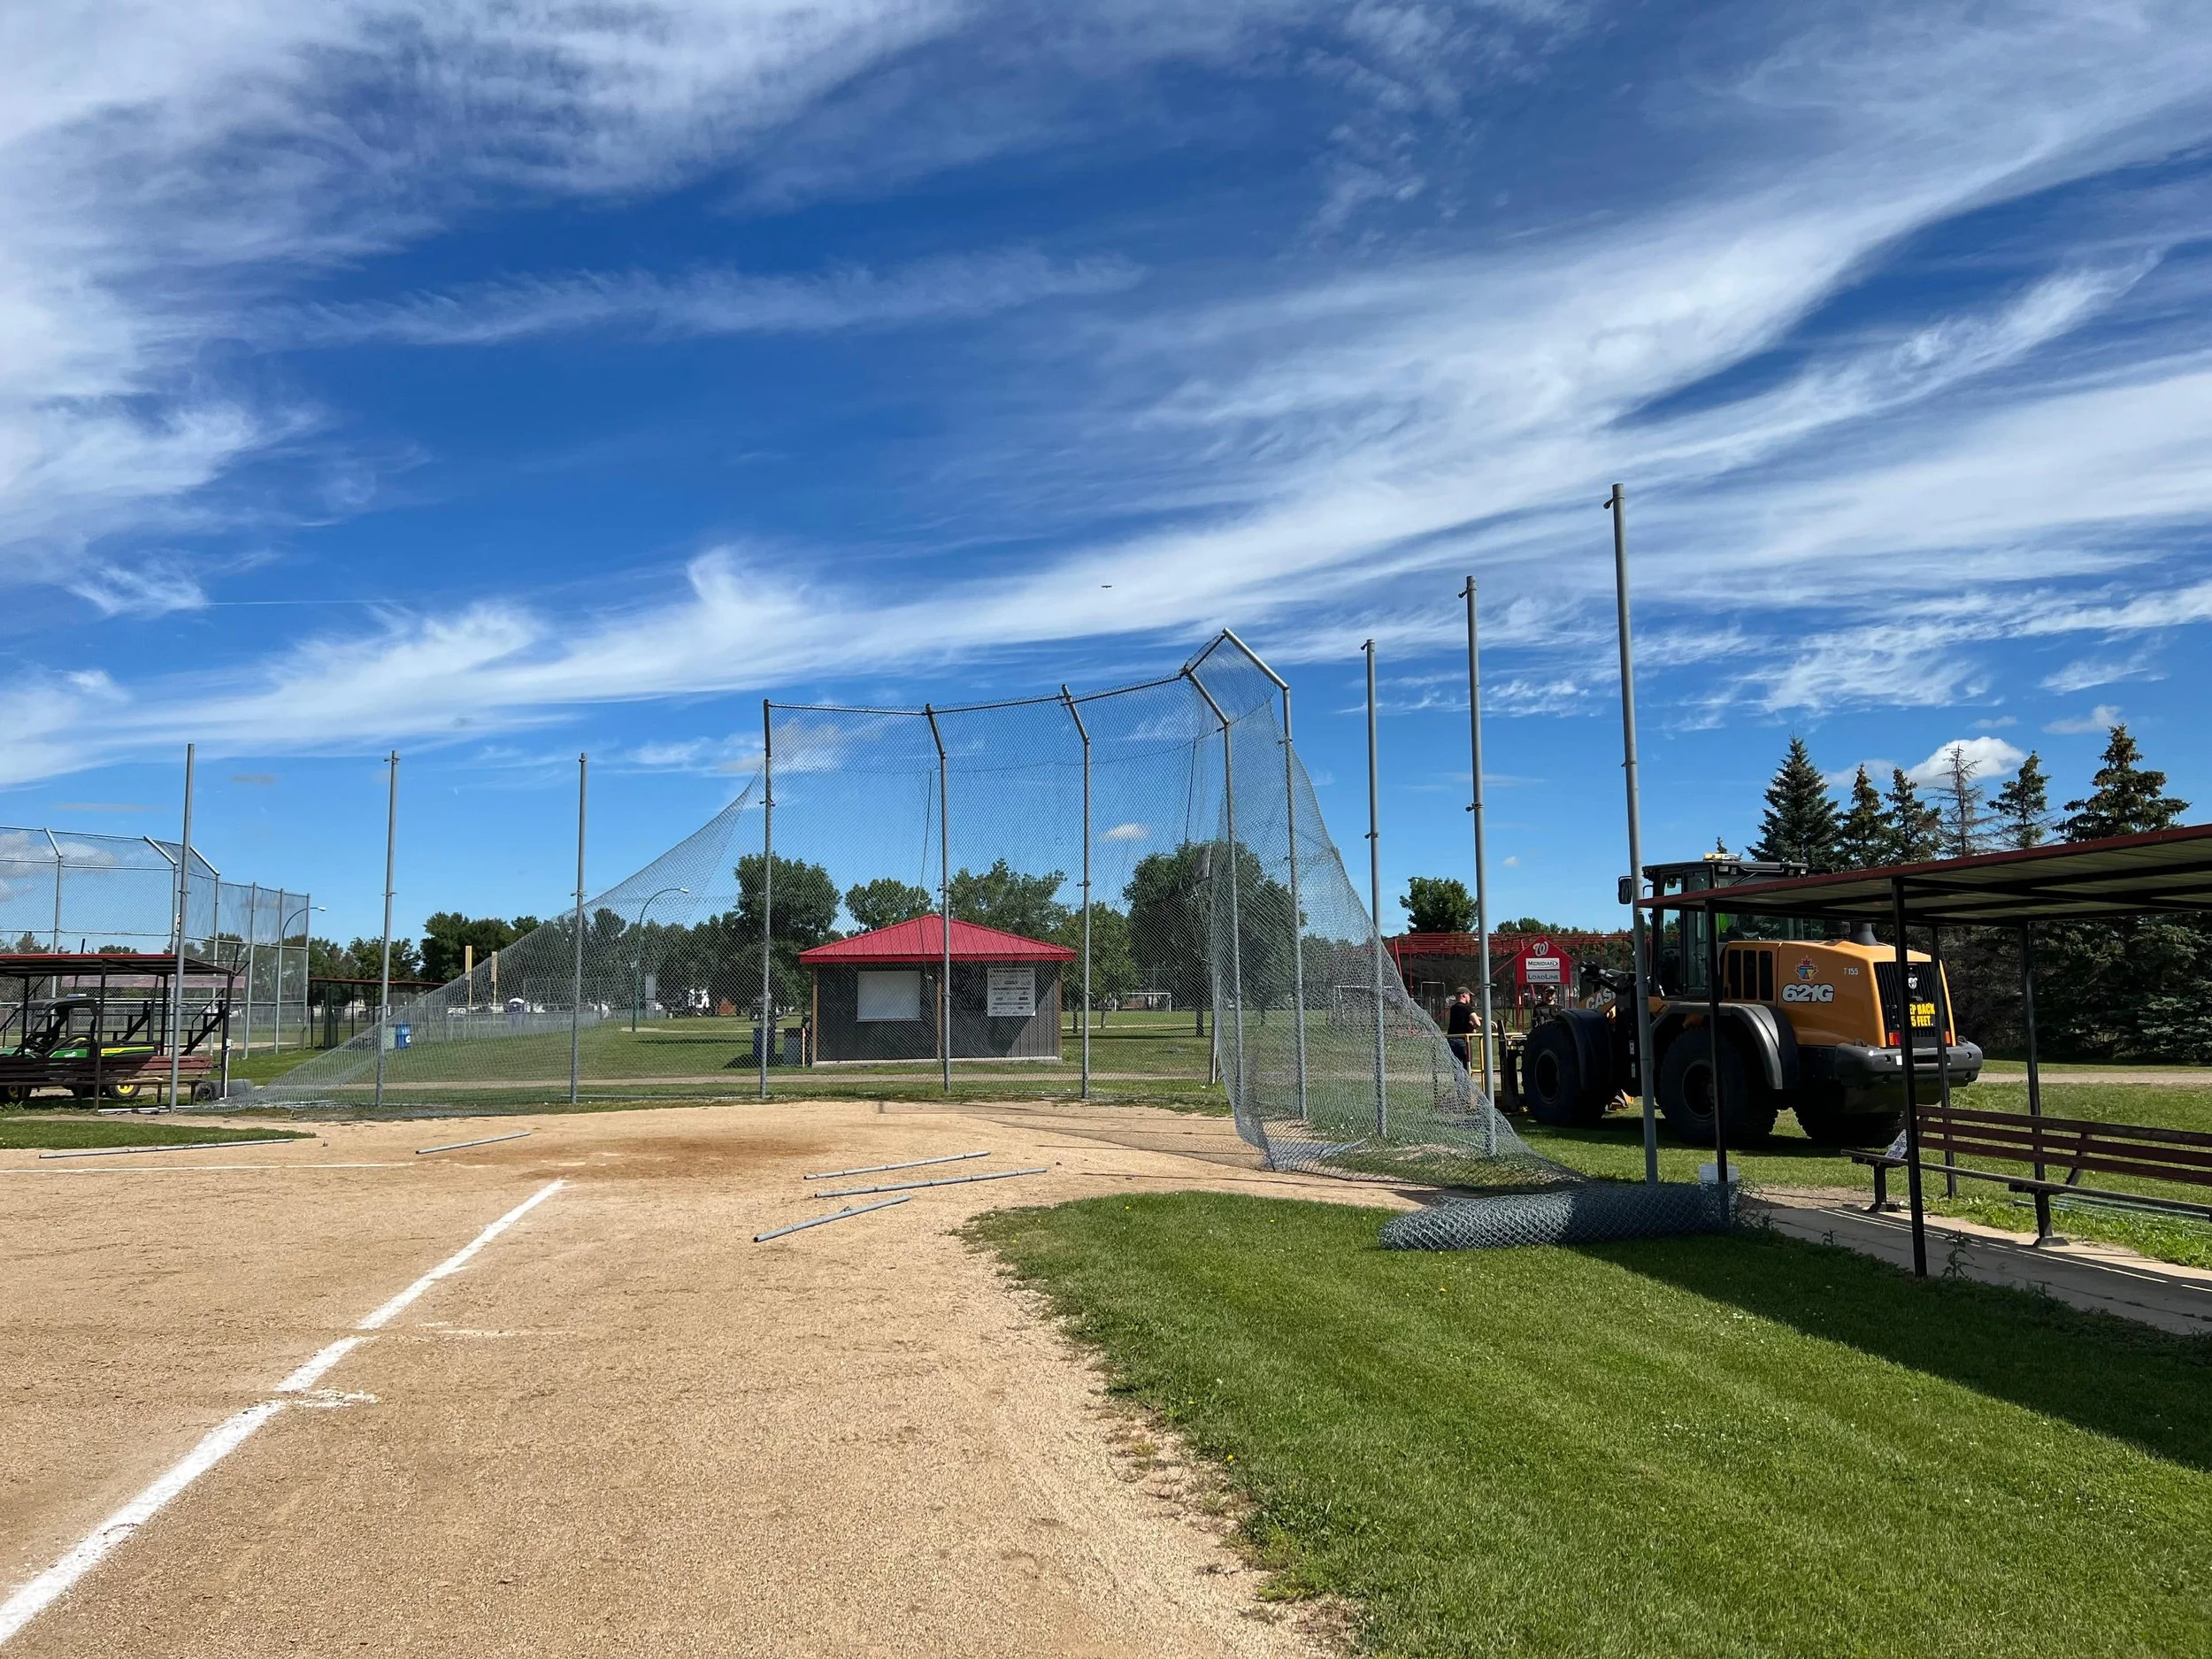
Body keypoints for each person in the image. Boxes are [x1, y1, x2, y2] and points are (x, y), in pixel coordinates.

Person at [1444, 987, 1476, 1070]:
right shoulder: (1467, 1008)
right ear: (1464, 995)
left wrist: (1487, 1021)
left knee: (1456, 1066)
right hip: (1463, 1040)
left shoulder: (1454, 1008)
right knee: (1467, 1065)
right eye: (1469, 995)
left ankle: (1459, 1078)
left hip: (1452, 1039)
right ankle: (1467, 1078)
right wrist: (1473, 1028)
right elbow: (1477, 1022)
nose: (1470, 998)